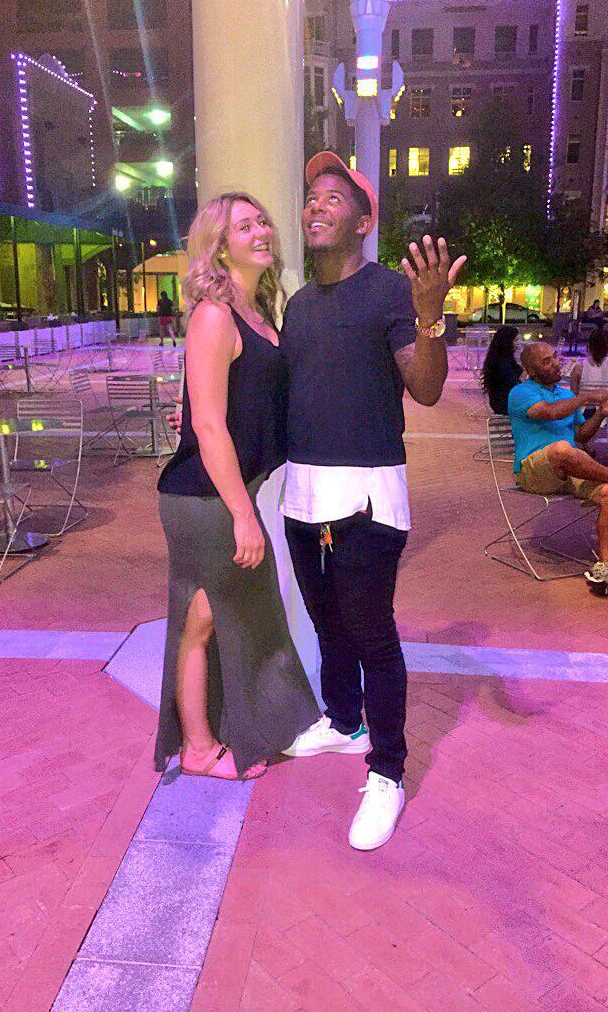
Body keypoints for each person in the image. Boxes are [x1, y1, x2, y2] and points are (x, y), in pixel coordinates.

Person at [279, 152, 466, 851]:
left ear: (363, 222)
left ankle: (387, 769)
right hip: (303, 494)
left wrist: (429, 318)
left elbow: (426, 389)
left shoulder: (390, 291)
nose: (316, 206)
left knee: (371, 635)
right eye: (312, 197)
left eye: (333, 198)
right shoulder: (299, 305)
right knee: (327, 624)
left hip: (366, 499)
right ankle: (344, 720)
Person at [154, 193, 320, 781]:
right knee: (201, 620)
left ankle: (231, 729)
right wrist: (243, 516)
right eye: (244, 226)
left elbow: (227, 402)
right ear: (220, 247)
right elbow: (208, 425)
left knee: (232, 617)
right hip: (206, 500)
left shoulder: (258, 314)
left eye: (262, 221)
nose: (261, 231)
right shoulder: (214, 315)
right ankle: (197, 748)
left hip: (229, 491)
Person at [508, 343, 608, 595]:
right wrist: (586, 397)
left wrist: (600, 414)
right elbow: (549, 413)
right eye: (546, 361)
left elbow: (581, 435)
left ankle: (605, 566)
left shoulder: (565, 394)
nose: (555, 363)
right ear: (530, 370)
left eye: (554, 357)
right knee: (561, 449)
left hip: (570, 469)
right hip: (533, 471)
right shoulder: (520, 392)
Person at [568, 327, 608, 405]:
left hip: (588, 409)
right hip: (604, 409)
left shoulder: (578, 368)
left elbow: (573, 398)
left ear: (589, 347)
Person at [481, 325, 522, 416]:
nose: (519, 343)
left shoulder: (501, 358)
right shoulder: (502, 363)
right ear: (507, 342)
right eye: (515, 340)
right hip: (504, 404)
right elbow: (514, 385)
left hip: (501, 402)